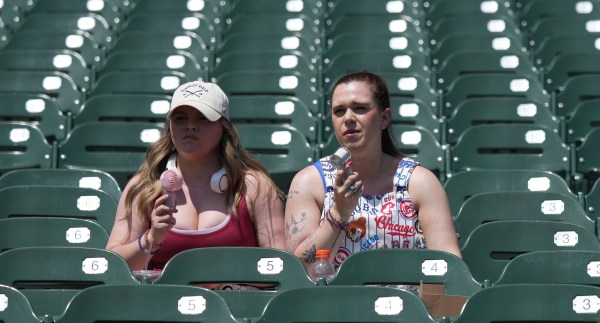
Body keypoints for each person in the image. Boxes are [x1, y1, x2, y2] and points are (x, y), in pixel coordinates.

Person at [284, 71, 461, 271]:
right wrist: (338, 214)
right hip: (333, 300)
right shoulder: (309, 181)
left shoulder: (420, 182)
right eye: (339, 111)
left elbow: (450, 266)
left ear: (384, 118)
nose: (348, 118)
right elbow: (296, 268)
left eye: (359, 108)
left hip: (405, 301)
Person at [106, 80, 286, 275]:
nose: (191, 126)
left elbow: (280, 266)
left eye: (203, 118)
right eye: (180, 118)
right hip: (162, 302)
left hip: (236, 302)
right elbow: (112, 266)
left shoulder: (254, 186)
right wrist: (151, 238)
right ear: (169, 126)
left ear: (223, 127)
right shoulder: (145, 187)